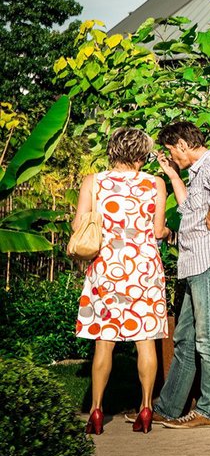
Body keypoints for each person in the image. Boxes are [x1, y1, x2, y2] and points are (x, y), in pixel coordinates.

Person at [139, 121, 210, 429]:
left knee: (207, 335)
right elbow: (188, 208)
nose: (172, 157)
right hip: (195, 263)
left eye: (173, 151)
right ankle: (170, 407)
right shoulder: (198, 173)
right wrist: (173, 174)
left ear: (184, 145)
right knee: (185, 336)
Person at [74, 127, 170, 435]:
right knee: (146, 339)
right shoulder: (155, 184)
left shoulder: (94, 182)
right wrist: (167, 233)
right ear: (142, 154)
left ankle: (97, 410)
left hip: (107, 266)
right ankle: (146, 408)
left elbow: (79, 225)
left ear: (113, 150)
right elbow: (157, 232)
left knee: (105, 342)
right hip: (144, 268)